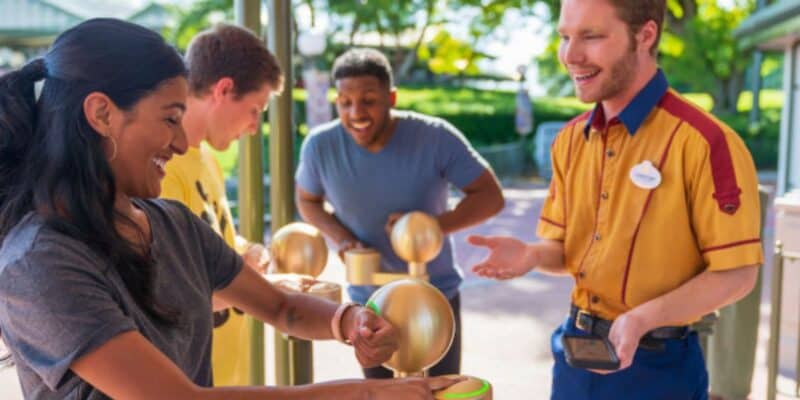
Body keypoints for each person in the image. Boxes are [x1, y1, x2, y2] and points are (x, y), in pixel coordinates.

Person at [0, 18, 459, 399]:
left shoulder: (171, 223)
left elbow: (283, 309)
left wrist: (349, 322)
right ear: (101, 114)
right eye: (169, 119)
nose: (181, 143)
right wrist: (367, 393)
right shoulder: (38, 263)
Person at [468, 0, 763, 399]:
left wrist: (642, 318)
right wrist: (533, 255)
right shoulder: (569, 141)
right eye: (565, 37)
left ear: (645, 35)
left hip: (659, 371)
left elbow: (737, 274)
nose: (570, 55)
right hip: (576, 354)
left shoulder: (707, 143)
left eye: (591, 36)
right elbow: (566, 251)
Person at [295, 48, 505, 379]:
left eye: (368, 100)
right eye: (345, 102)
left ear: (391, 98)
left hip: (434, 296)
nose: (356, 112)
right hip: (370, 306)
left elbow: (491, 197)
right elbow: (306, 200)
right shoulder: (320, 146)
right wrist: (344, 240)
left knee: (437, 392)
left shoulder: (435, 136)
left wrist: (427, 226)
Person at [159, 23, 278, 386]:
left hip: (226, 378)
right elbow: (167, 294)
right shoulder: (160, 169)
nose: (255, 126)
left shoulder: (207, 158)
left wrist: (249, 251)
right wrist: (260, 288)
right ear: (224, 90)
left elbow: (217, 241)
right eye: (255, 109)